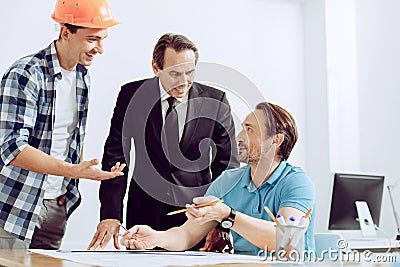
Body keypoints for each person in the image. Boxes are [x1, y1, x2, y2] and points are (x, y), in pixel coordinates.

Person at [88, 33, 239, 250]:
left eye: (190, 72)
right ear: (156, 67)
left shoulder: (216, 101)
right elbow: (116, 155)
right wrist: (111, 214)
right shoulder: (131, 95)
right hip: (143, 214)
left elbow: (227, 168)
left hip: (195, 219)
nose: (184, 82)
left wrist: (219, 221)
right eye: (175, 73)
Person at [0, 0, 124, 249]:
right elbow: (12, 147)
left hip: (56, 206)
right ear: (65, 32)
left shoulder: (81, 75)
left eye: (103, 39)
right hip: (15, 206)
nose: (99, 49)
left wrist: (67, 191)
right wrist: (74, 171)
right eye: (92, 39)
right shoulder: (26, 74)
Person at [120, 102, 316, 255]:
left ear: (276, 140)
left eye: (249, 130)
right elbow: (187, 234)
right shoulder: (228, 181)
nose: (238, 137)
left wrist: (228, 215)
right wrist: (156, 238)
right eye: (242, 128)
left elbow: (283, 237)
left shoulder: (297, 183)